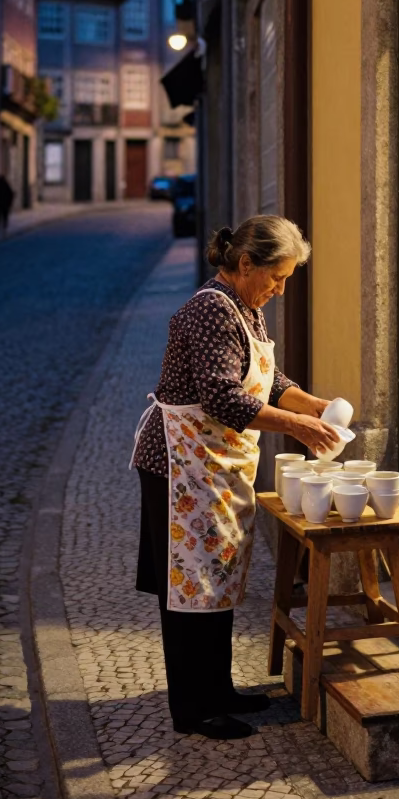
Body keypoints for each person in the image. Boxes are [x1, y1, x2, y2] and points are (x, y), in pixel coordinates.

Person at [131, 215, 339, 740]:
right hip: (180, 469)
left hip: (213, 468)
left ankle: (217, 688)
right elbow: (224, 396)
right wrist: (298, 427)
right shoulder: (208, 310)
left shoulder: (245, 308)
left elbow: (269, 382)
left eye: (287, 278)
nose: (280, 288)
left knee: (218, 577)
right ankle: (193, 709)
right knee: (189, 587)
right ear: (245, 263)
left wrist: (314, 406)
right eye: (277, 276)